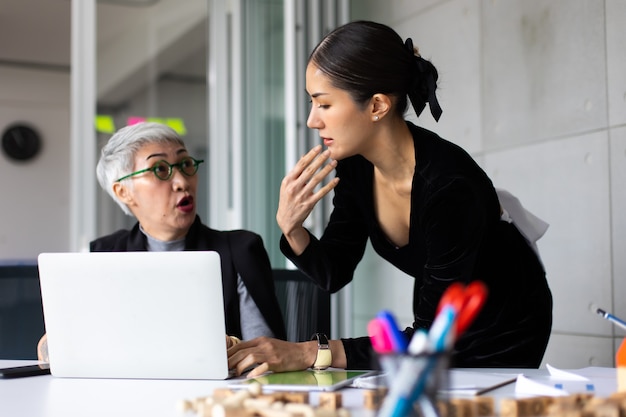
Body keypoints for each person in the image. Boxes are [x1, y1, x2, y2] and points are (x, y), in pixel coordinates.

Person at [227, 20, 552, 377]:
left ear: (377, 105)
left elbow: (428, 341)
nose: (311, 121)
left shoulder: (451, 186)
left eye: (324, 104)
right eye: (311, 103)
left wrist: (311, 352)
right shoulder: (356, 167)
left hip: (502, 331)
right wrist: (292, 229)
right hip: (434, 329)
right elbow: (334, 271)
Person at [38, 122, 286, 361]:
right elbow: (72, 346)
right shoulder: (105, 254)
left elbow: (264, 357)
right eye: (160, 170)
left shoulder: (240, 250)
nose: (182, 182)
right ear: (124, 192)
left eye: (186, 164)